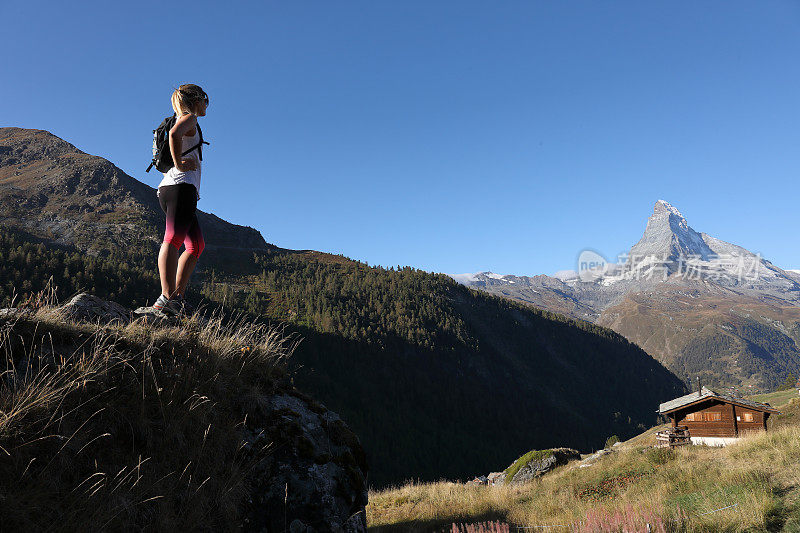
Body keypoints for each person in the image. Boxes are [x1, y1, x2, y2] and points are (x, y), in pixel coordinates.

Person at [152, 84, 209, 316]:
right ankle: (166, 298)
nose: (207, 105)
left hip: (176, 189)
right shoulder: (189, 118)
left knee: (196, 246)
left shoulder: (183, 118)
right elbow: (174, 134)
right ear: (196, 99)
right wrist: (179, 163)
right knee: (173, 239)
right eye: (206, 99)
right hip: (179, 187)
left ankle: (177, 297)